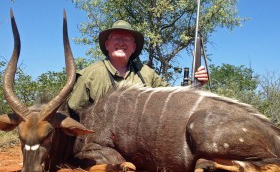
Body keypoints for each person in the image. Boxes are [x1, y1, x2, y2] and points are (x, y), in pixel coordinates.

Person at [68, 20, 209, 117]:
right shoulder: (90, 74)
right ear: (107, 44)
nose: (122, 43)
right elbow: (73, 113)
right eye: (117, 38)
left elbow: (172, 98)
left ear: (134, 47)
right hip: (102, 145)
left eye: (127, 39)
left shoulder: (146, 73)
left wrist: (196, 85)